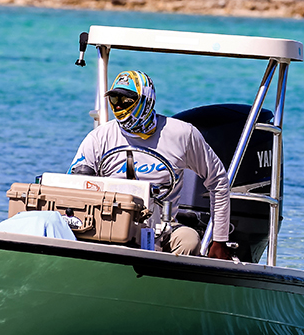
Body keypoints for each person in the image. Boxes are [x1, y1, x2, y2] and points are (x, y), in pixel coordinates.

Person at [68, 70, 232, 259]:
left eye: (127, 100)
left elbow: (218, 180)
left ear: (146, 101)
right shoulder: (98, 138)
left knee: (189, 240)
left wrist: (219, 239)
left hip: (163, 228)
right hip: (109, 223)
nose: (119, 106)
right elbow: (75, 188)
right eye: (114, 100)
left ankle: (170, 283)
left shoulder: (182, 134)